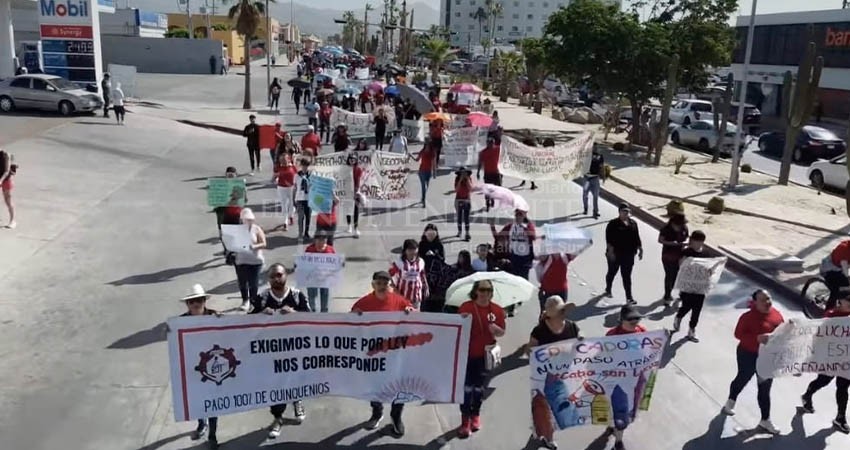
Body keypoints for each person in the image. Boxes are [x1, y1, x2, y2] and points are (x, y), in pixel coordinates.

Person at [351, 271, 416, 436]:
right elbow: (349, 323)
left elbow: (414, 315)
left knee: (399, 385)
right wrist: (354, 317)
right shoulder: (364, 302)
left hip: (396, 352)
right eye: (378, 283)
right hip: (374, 353)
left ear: (390, 285)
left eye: (385, 283)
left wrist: (411, 311)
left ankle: (396, 416)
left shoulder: (399, 301)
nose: (382, 286)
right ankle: (377, 412)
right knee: (375, 386)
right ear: (373, 285)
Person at [250, 264, 309, 438]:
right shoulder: (261, 298)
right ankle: (277, 417)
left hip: (294, 348)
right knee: (275, 384)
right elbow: (245, 323)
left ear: (286, 276)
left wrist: (294, 313)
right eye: (273, 276)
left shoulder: (297, 296)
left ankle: (297, 400)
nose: (276, 278)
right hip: (270, 351)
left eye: (279, 275)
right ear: (268, 279)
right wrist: (260, 314)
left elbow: (312, 318)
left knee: (295, 378)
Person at [721, 289, 784, 435]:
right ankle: (731, 400)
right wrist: (756, 338)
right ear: (755, 302)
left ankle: (765, 420)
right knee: (743, 378)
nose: (767, 302)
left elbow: (782, 334)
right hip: (748, 354)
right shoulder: (747, 317)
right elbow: (738, 334)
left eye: (769, 299)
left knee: (764, 389)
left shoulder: (777, 315)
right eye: (763, 300)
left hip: (767, 358)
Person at [456, 279, 506, 438]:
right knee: (466, 388)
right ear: (476, 291)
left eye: (489, 290)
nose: (485, 293)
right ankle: (464, 420)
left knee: (479, 388)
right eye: (482, 290)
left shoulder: (497, 310)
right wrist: (461, 320)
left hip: (485, 357)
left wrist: (496, 330)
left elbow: (502, 333)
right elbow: (456, 327)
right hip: (467, 355)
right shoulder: (466, 307)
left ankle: (475, 415)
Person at [528, 295, 580, 449]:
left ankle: (541, 430)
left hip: (564, 374)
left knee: (560, 407)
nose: (564, 312)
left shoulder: (572, 326)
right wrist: (545, 354)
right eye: (560, 310)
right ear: (552, 315)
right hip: (544, 376)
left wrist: (581, 338)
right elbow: (529, 350)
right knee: (545, 407)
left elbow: (580, 339)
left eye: (564, 309)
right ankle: (548, 437)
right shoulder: (540, 330)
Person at [175, 284, 221, 449]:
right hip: (192, 368)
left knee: (213, 402)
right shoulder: (180, 322)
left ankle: (213, 435)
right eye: (192, 301)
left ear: (204, 301)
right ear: (187, 304)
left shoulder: (215, 316)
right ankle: (202, 423)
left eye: (199, 300)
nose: (196, 304)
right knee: (197, 401)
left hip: (213, 368)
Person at [800, 295, 850, 434]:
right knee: (823, 381)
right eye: (849, 300)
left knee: (843, 386)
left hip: (846, 359)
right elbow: (818, 337)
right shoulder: (830, 317)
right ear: (840, 301)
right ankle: (807, 395)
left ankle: (840, 417)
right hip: (831, 358)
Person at [603, 305, 647, 450]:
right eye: (630, 319)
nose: (635, 321)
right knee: (614, 408)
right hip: (617, 381)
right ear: (622, 319)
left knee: (626, 410)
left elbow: (651, 351)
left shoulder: (643, 333)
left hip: (634, 380)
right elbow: (601, 357)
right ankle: (613, 430)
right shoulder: (612, 336)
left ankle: (618, 439)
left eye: (637, 318)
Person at [672, 230, 717, 342]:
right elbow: (681, 267)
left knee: (697, 309)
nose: (695, 243)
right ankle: (679, 316)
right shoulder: (687, 252)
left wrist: (710, 271)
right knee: (687, 306)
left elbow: (710, 269)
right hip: (687, 287)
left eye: (698, 241)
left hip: (700, 287)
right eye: (694, 241)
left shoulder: (707, 254)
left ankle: (691, 331)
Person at [605, 203, 643, 304]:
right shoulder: (613, 224)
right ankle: (608, 288)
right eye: (624, 211)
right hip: (615, 253)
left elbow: (636, 237)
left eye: (627, 211)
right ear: (619, 212)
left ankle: (629, 297)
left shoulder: (633, 223)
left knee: (626, 276)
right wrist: (611, 252)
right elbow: (608, 239)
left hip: (629, 254)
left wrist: (640, 249)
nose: (626, 213)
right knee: (612, 272)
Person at [234, 208, 266, 311]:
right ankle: (245, 300)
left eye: (249, 219)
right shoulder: (236, 230)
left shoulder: (257, 229)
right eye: (245, 219)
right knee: (242, 282)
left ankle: (253, 301)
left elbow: (264, 243)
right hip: (241, 260)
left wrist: (254, 246)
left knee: (253, 283)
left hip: (255, 261)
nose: (247, 221)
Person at [496, 209, 537, 280]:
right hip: (514, 256)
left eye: (520, 215)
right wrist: (492, 227)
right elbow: (499, 236)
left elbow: (533, 237)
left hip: (525, 257)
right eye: (517, 215)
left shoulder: (528, 225)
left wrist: (524, 228)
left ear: (524, 216)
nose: (518, 217)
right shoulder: (511, 226)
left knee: (523, 278)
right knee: (514, 278)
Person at [390, 239, 430, 309]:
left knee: (415, 317)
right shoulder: (399, 263)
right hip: (402, 296)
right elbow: (389, 276)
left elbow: (422, 274)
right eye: (410, 250)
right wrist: (395, 289)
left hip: (416, 297)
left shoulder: (421, 261)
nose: (412, 252)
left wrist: (426, 287)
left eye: (414, 249)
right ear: (405, 250)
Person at [658, 214, 689, 306]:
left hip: (680, 255)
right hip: (668, 256)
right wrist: (671, 243)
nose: (680, 226)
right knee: (670, 275)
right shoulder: (666, 229)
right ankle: (667, 295)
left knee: (678, 275)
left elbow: (687, 238)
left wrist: (685, 243)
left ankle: (679, 293)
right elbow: (660, 240)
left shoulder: (684, 228)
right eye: (678, 224)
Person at [304, 232, 336, 312]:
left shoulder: (330, 250)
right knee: (312, 294)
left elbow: (335, 263)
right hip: (312, 277)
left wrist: (340, 264)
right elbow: (303, 262)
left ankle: (324, 311)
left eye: (323, 240)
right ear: (315, 240)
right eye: (319, 240)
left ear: (326, 240)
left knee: (324, 294)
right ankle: (312, 310)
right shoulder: (309, 249)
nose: (321, 242)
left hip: (325, 277)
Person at [819, 239, 850, 310]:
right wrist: (848, 278)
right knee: (836, 290)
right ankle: (828, 312)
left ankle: (843, 305)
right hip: (828, 270)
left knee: (845, 288)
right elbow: (844, 267)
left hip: (840, 270)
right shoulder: (844, 249)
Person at [272, 153, 296, 231]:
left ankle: (291, 216)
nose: (283, 161)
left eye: (285, 159)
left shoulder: (293, 167)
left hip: (291, 188)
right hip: (281, 188)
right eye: (281, 160)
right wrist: (275, 177)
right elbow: (273, 178)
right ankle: (285, 221)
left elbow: (297, 176)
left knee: (292, 203)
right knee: (284, 204)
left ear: (288, 159)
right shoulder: (278, 167)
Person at [411, 138, 437, 207]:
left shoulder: (432, 152)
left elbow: (434, 163)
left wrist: (434, 172)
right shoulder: (422, 151)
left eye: (428, 144)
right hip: (422, 171)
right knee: (424, 186)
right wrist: (411, 156)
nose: (427, 145)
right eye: (426, 144)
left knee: (426, 186)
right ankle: (424, 201)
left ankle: (423, 198)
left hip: (429, 171)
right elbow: (417, 160)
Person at [477, 137, 501, 212]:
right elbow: (480, 163)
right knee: (487, 190)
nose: (491, 145)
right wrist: (478, 172)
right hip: (488, 174)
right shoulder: (483, 152)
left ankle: (493, 199)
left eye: (492, 143)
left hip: (496, 173)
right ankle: (487, 204)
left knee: (496, 188)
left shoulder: (498, 149)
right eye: (489, 143)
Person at [583, 146, 604, 218]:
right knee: (585, 193)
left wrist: (603, 176)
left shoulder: (600, 157)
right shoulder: (586, 155)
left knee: (595, 196)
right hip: (587, 178)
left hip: (595, 178)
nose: (595, 149)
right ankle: (585, 208)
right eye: (594, 147)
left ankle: (595, 212)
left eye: (596, 148)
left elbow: (602, 167)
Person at [346, 153, 364, 237]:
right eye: (350, 159)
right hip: (347, 192)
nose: (352, 161)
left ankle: (356, 228)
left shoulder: (358, 169)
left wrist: (357, 191)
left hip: (356, 191)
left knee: (356, 210)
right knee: (348, 209)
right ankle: (349, 225)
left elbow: (359, 181)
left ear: (356, 160)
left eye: (353, 159)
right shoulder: (345, 169)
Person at [294, 159, 312, 239]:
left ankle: (306, 233)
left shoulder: (312, 175)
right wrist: (293, 199)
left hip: (309, 199)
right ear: (301, 166)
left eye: (307, 166)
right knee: (301, 217)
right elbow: (295, 187)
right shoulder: (297, 175)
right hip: (300, 198)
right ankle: (300, 233)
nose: (305, 167)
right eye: (304, 165)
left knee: (308, 217)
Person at [454, 167, 474, 241]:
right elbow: (456, 189)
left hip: (467, 200)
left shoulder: (469, 178)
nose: (463, 174)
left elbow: (471, 188)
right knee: (459, 217)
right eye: (462, 173)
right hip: (458, 199)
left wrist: (467, 180)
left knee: (466, 218)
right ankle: (459, 231)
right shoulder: (457, 179)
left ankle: (467, 233)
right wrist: (460, 180)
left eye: (465, 173)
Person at [0, 150, 15, 229]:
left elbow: (6, 171)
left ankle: (12, 221)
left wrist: (0, 181)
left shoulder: (6, 155)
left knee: (8, 200)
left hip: (6, 179)